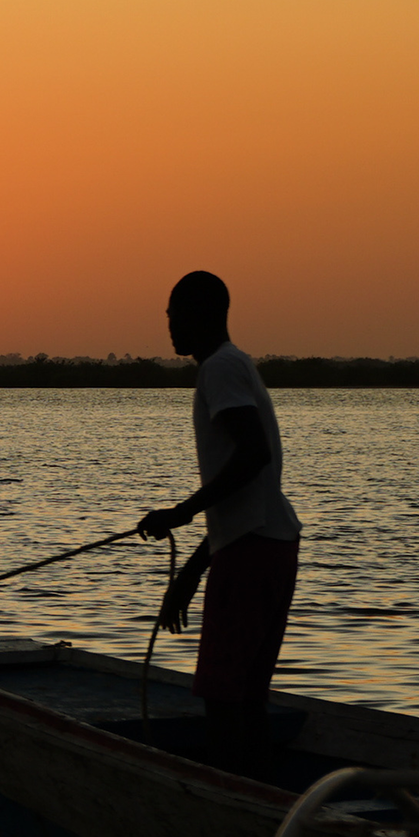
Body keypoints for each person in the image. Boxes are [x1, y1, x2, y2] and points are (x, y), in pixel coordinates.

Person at [137, 270, 302, 777]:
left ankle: (233, 798)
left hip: (253, 552)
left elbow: (251, 455)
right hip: (267, 543)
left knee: (223, 695)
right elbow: (246, 498)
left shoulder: (219, 368)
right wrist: (190, 574)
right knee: (245, 696)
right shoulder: (232, 365)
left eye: (174, 314)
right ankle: (262, 794)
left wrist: (180, 513)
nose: (168, 325)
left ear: (202, 314)